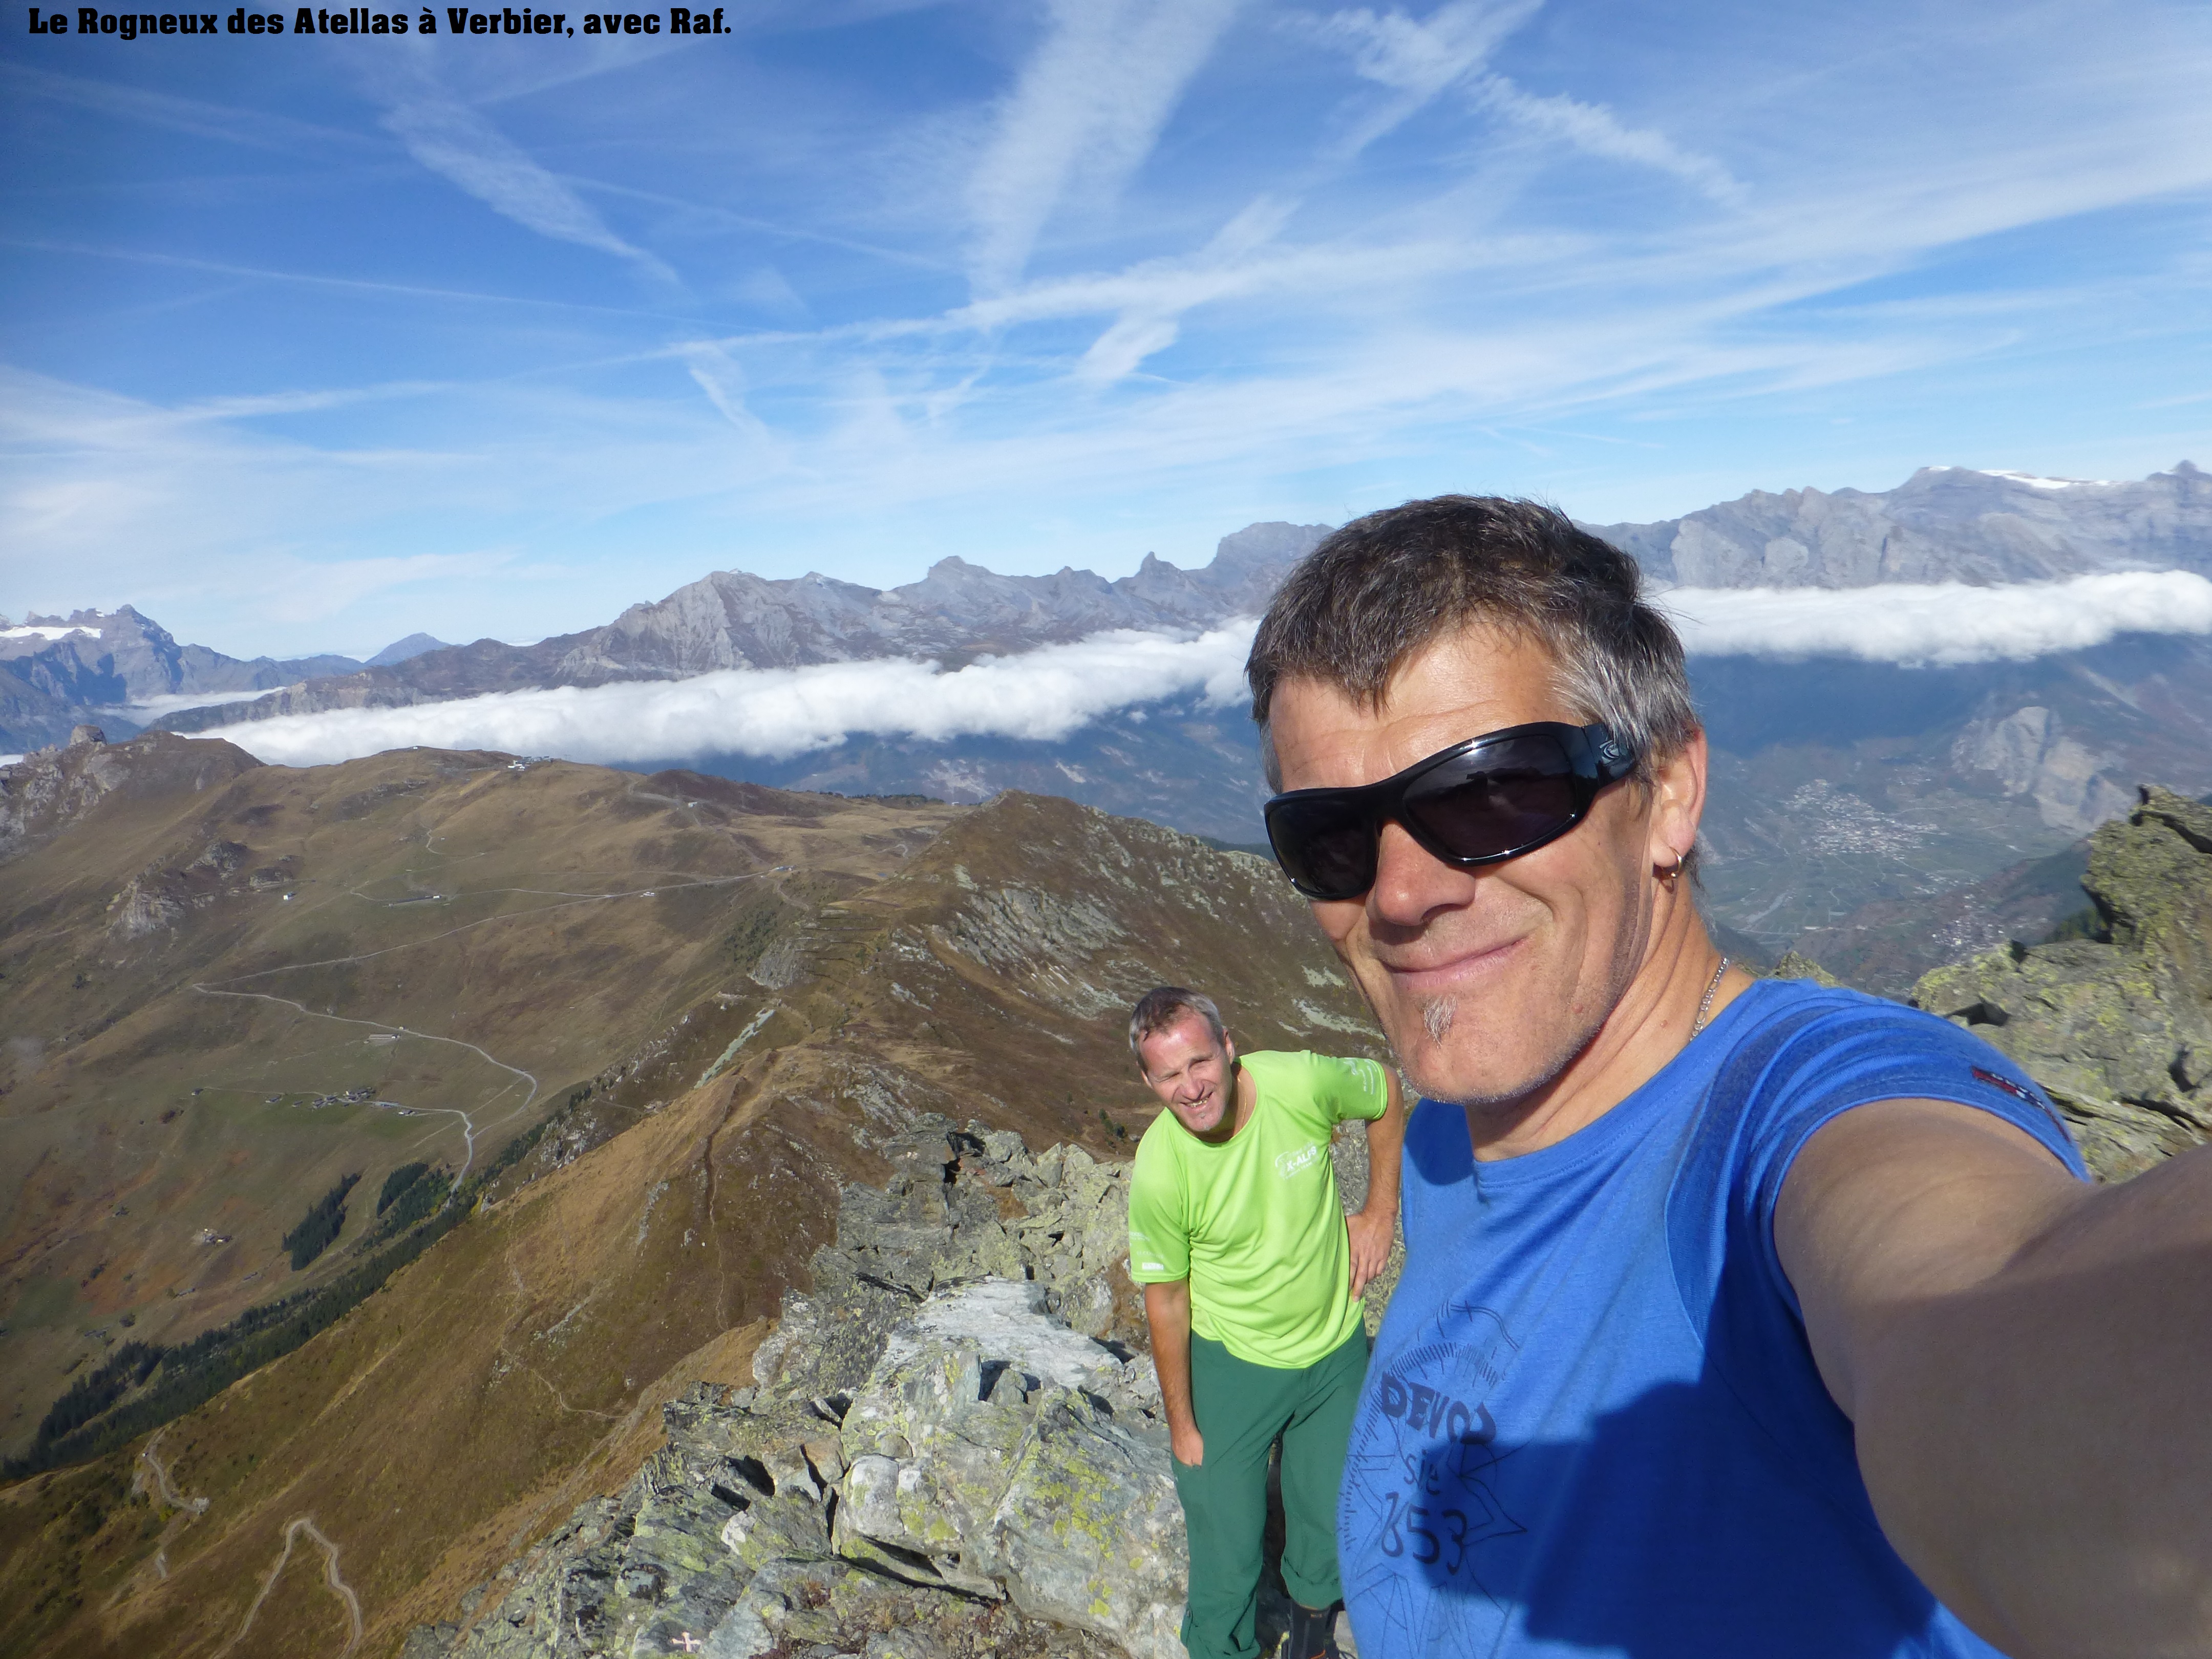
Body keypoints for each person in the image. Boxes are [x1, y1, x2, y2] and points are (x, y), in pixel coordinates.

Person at [1242, 497, 2212, 1659]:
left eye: (1489, 793)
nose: (1401, 894)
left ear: (1668, 793)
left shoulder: (1802, 1117)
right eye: (1332, 839)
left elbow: (1989, 1289)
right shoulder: (1455, 1136)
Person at [1124, 986, 1407, 1659]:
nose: (1191, 1087)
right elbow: (1167, 1302)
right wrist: (1183, 1425)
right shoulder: (1162, 1169)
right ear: (1150, 1082)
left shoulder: (1297, 1083)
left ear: (1228, 1048)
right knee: (1227, 1551)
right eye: (1169, 1075)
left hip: (1334, 1351)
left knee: (1327, 1516)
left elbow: (1386, 1092)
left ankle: (1313, 1643)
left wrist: (1379, 1212)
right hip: (1236, 1365)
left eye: (1199, 1062)